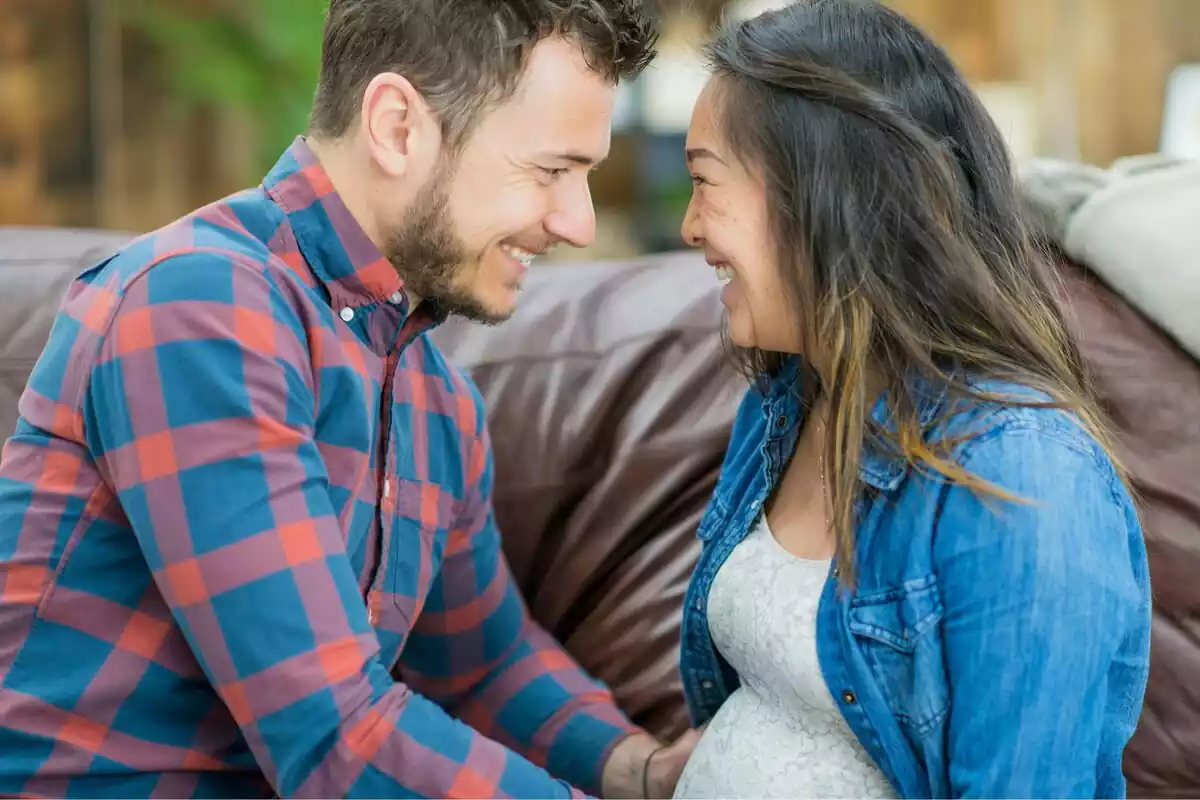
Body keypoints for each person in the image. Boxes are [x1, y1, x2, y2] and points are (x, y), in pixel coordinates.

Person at [0, 1, 700, 797]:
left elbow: (486, 666)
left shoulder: (437, 400)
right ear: (397, 126)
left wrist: (640, 773)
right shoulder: (200, 309)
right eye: (550, 171)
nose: (578, 221)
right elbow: (335, 737)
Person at [672, 1, 1151, 798]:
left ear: (818, 191)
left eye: (704, 182)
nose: (690, 227)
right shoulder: (784, 403)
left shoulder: (1025, 477)